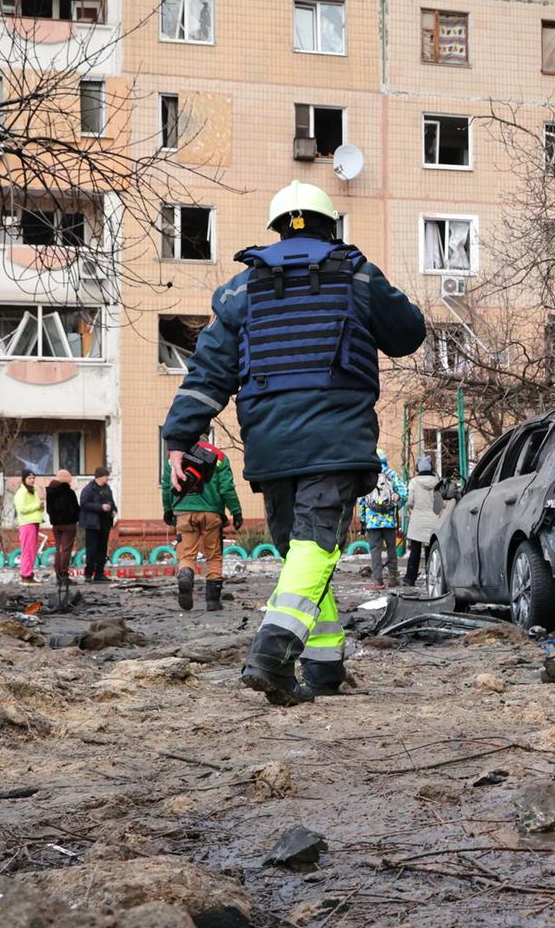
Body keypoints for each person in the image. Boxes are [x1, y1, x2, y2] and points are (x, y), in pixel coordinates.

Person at [160, 181, 426, 705]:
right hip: (336, 437)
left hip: (271, 443)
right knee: (315, 548)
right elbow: (408, 335)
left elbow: (208, 372)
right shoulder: (356, 274)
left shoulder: (240, 291)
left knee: (302, 554)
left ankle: (323, 669)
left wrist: (179, 436)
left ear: (277, 228)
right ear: (331, 226)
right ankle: (272, 651)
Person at [162, 442, 242, 612]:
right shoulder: (219, 456)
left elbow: (168, 485)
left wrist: (168, 509)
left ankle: (185, 575)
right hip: (212, 513)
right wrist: (236, 511)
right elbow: (227, 488)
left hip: (184, 512)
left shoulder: (174, 457)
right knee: (213, 555)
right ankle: (213, 601)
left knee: (186, 554)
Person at [360, 450, 408, 590]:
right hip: (389, 520)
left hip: (372, 520)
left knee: (375, 549)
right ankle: (393, 577)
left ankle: (377, 580)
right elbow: (404, 494)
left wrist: (364, 519)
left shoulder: (367, 476)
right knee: (391, 548)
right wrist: (395, 507)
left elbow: (362, 500)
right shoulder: (391, 475)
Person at [403, 456, 443, 589]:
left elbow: (410, 502)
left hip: (417, 520)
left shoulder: (414, 482)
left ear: (418, 469)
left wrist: (409, 508)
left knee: (415, 550)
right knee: (430, 550)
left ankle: (410, 578)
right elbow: (439, 504)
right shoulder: (437, 482)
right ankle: (430, 577)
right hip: (432, 520)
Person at [78, 466, 116, 582]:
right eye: (106, 476)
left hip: (105, 523)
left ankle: (100, 572)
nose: (107, 479)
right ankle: (88, 574)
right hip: (93, 524)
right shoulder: (89, 489)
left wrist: (113, 510)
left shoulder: (107, 488)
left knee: (102, 549)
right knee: (92, 549)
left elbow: (111, 501)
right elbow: (84, 504)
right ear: (100, 477)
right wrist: (100, 507)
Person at [45, 470, 79, 585]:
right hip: (69, 524)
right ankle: (64, 574)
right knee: (66, 549)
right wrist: (76, 517)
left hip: (56, 525)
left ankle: (58, 573)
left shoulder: (50, 491)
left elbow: (49, 509)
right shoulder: (68, 492)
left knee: (59, 548)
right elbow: (75, 508)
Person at [11, 471, 43, 585]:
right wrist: (37, 506)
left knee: (32, 550)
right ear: (24, 479)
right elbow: (22, 508)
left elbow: (36, 505)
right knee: (28, 550)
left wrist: (40, 509)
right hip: (27, 523)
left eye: (33, 478)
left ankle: (29, 574)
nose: (32, 480)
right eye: (29, 478)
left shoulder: (32, 491)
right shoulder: (21, 492)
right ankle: (26, 575)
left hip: (34, 522)